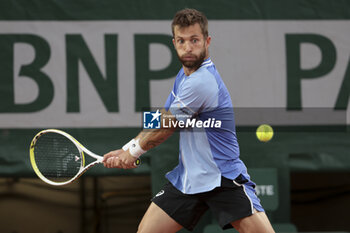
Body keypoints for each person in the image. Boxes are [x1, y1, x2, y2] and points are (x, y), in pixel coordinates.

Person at [103, 8, 275, 233]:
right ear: (174, 43)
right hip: (188, 180)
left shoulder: (202, 81)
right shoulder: (184, 77)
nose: (188, 47)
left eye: (194, 40)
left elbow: (166, 128)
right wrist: (127, 147)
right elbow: (162, 116)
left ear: (207, 41)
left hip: (222, 177)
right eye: (182, 41)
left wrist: (133, 153)